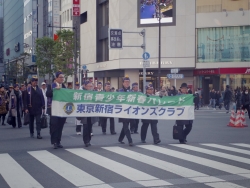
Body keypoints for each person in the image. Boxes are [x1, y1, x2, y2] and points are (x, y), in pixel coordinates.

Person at [46, 71, 67, 149]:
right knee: (54, 125)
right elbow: (47, 94)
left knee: (60, 126)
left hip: (62, 109)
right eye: (60, 77)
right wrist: (54, 90)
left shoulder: (64, 86)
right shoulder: (51, 86)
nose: (62, 79)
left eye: (63, 77)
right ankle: (54, 142)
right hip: (53, 109)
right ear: (56, 78)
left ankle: (58, 141)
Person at [77, 81, 99, 147]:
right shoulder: (82, 93)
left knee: (90, 127)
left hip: (91, 112)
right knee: (85, 127)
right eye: (89, 86)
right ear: (85, 86)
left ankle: (89, 140)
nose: (90, 88)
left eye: (91, 86)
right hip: (84, 113)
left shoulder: (93, 93)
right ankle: (86, 141)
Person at [118, 75, 133, 146]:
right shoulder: (119, 91)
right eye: (125, 82)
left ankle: (120, 138)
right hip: (122, 111)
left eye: (128, 82)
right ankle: (130, 140)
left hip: (130, 111)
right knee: (126, 126)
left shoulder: (132, 91)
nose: (127, 83)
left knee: (125, 126)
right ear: (123, 83)